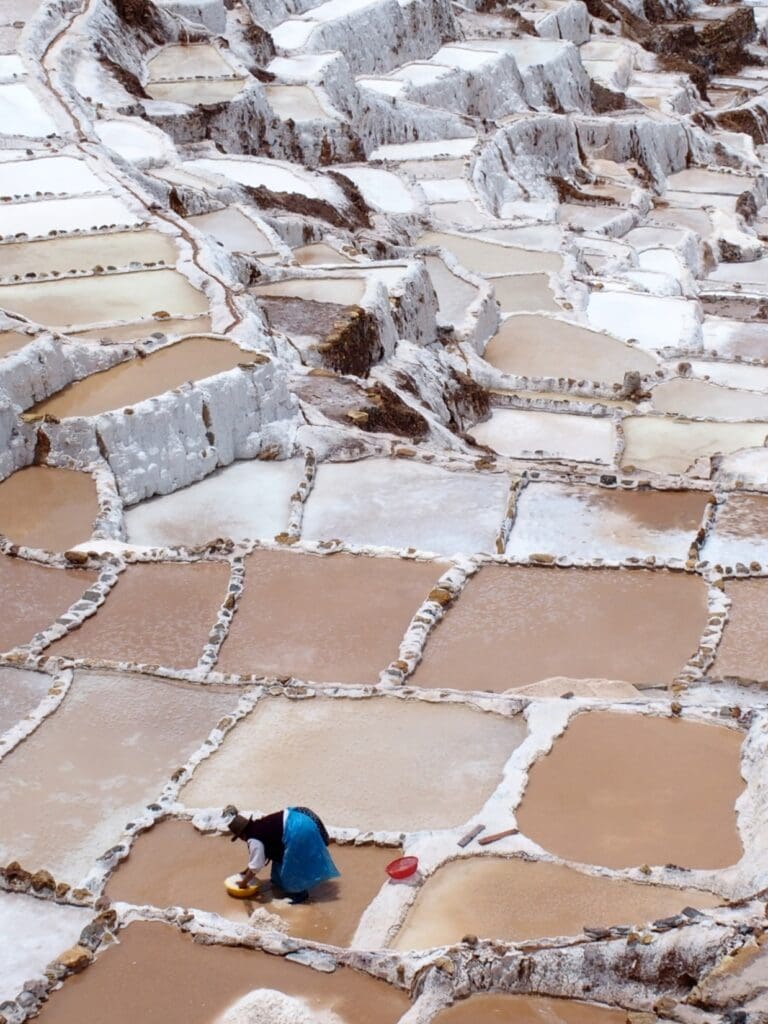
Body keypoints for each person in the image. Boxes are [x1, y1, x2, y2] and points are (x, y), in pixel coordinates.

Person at [228, 805, 339, 904]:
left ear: (241, 835)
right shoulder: (258, 826)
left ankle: (300, 893)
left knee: (292, 864)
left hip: (298, 829)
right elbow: (260, 856)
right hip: (298, 818)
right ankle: (283, 885)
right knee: (281, 861)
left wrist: (243, 884)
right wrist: (246, 870)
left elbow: (257, 865)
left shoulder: (254, 840)